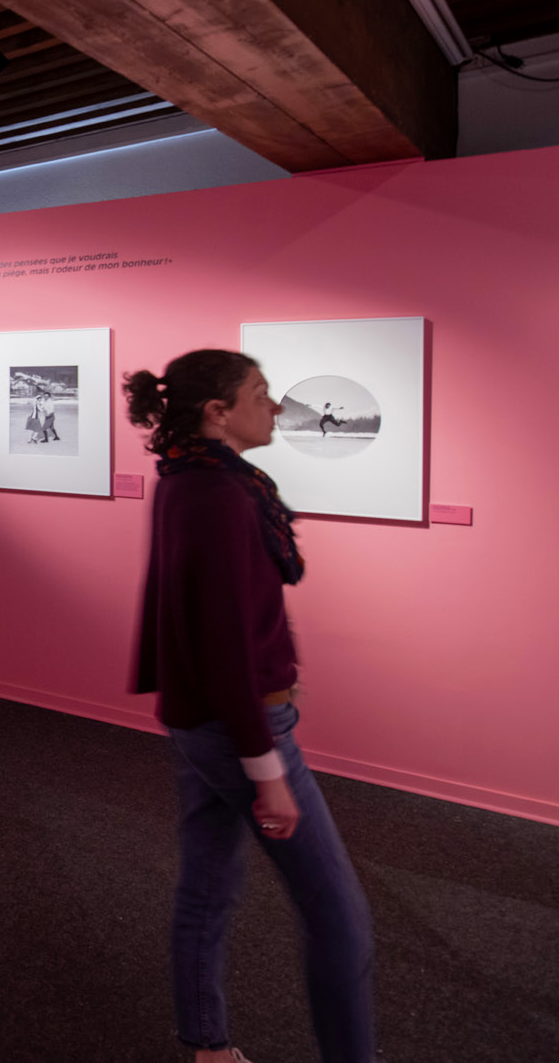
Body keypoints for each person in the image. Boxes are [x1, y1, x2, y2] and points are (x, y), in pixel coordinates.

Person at [123, 350, 374, 1063]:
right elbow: (225, 639)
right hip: (240, 728)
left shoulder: (187, 478)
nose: (276, 407)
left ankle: (207, 1045)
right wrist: (264, 762)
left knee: (207, 881)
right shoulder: (220, 495)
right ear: (217, 412)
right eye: (260, 395)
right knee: (338, 914)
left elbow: (210, 617)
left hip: (201, 717)